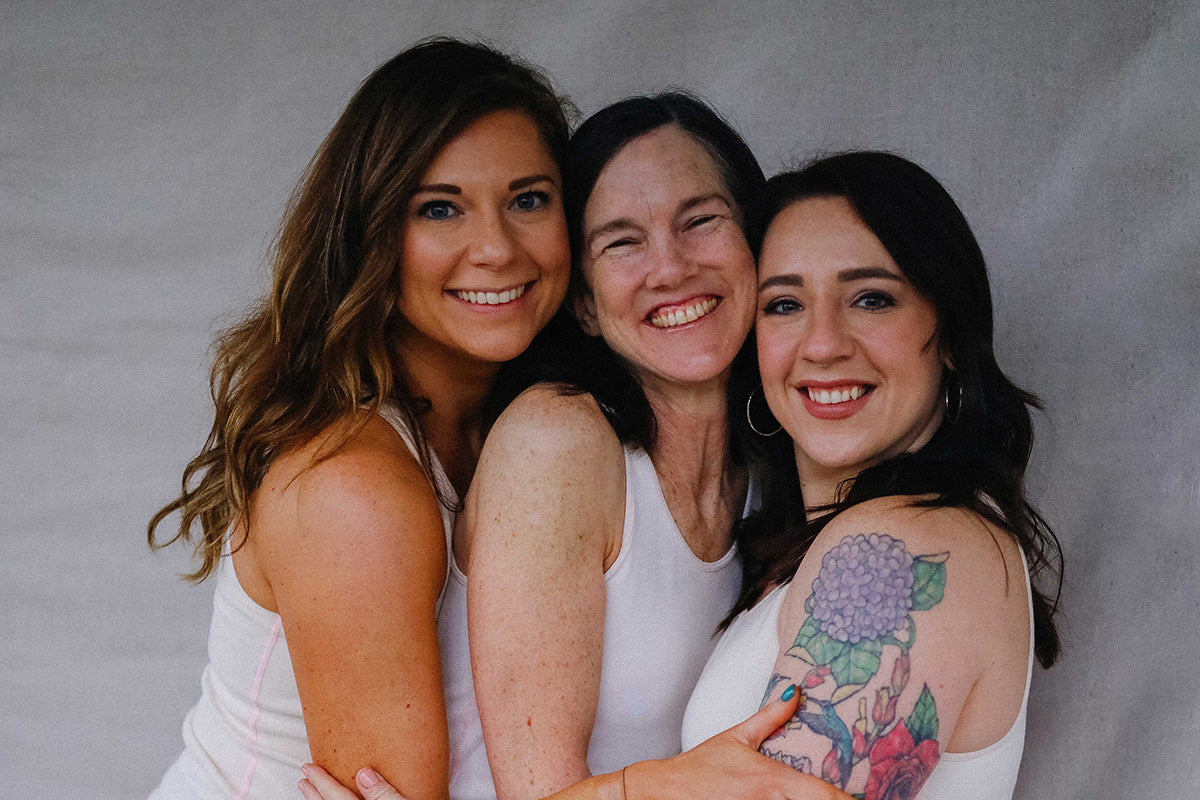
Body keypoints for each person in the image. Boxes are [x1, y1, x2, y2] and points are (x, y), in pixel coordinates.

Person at [298, 95, 850, 800]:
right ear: (584, 304)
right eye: (622, 242)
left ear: (757, 245)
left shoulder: (772, 469)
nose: (671, 267)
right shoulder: (558, 444)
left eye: (702, 220)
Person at [146, 38, 572, 799]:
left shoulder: (524, 426)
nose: (498, 248)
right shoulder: (355, 490)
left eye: (529, 199)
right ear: (372, 232)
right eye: (440, 208)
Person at [681, 151, 1063, 800]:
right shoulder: (808, 553)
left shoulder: (908, 545)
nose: (824, 343)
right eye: (783, 305)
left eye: (871, 298)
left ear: (947, 333)